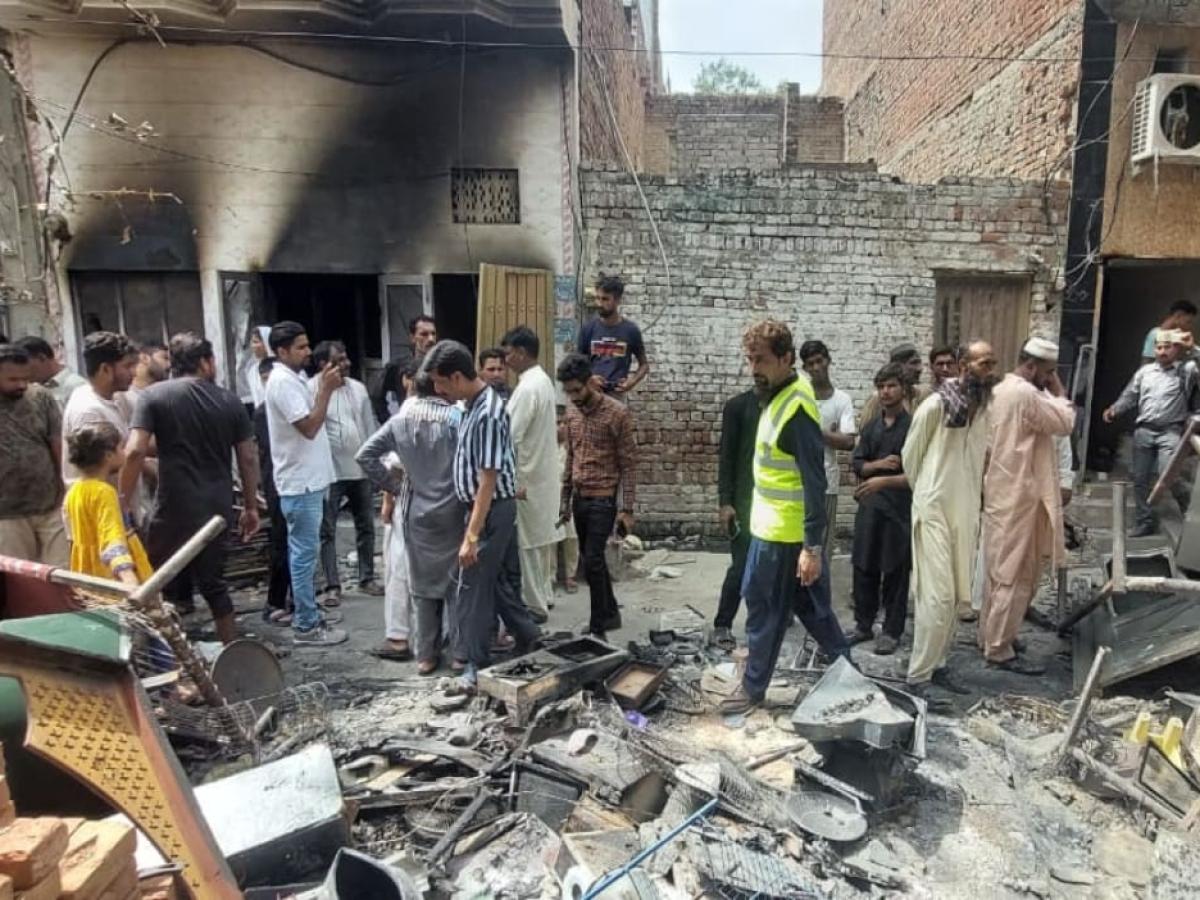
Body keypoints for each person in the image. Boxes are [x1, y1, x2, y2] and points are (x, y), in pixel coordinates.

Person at [721, 321, 840, 714]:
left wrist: (811, 547)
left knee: (763, 613)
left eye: (762, 360)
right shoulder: (777, 395)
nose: (754, 367)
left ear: (787, 359)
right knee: (816, 614)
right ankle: (852, 678)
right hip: (772, 529)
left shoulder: (796, 409)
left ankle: (752, 689)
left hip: (783, 539)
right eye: (750, 359)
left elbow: (814, 481)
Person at [120, 333, 259, 644]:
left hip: (173, 506)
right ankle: (232, 655)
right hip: (216, 509)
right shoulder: (229, 400)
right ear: (205, 363)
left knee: (154, 582)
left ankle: (162, 660)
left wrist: (121, 499)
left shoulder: (153, 397)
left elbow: (134, 451)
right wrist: (250, 506)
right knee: (214, 585)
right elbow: (248, 458)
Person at [425, 340, 540, 692]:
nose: (438, 390)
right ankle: (529, 636)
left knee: (472, 586)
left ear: (457, 377)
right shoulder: (471, 405)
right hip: (488, 508)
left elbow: (488, 480)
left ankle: (473, 662)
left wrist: (472, 535)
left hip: (489, 508)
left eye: (441, 383)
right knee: (498, 582)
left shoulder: (488, 411)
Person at [903, 340, 999, 697]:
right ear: (962, 365)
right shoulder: (935, 405)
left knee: (958, 597)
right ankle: (918, 676)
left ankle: (939, 665)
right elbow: (911, 456)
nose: (988, 371)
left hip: (965, 510)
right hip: (934, 508)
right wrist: (928, 496)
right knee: (937, 596)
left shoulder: (984, 409)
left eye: (992, 364)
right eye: (981, 363)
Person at [358, 359, 465, 674]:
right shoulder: (457, 420)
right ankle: (459, 656)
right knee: (456, 585)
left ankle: (426, 656)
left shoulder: (399, 422)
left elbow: (365, 456)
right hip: (454, 510)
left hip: (415, 511)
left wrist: (393, 485)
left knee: (421, 587)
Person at [979, 338, 1075, 673]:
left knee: (998, 570)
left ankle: (992, 635)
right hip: (1020, 496)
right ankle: (999, 648)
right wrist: (1059, 389)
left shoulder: (1001, 389)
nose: (1049, 378)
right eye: (1047, 372)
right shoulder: (1025, 394)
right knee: (1016, 574)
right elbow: (1065, 422)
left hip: (1001, 492)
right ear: (1032, 366)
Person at [264, 320, 348, 646]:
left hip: (309, 480)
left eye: (306, 344)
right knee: (302, 554)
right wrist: (325, 391)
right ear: (282, 351)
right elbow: (310, 427)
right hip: (300, 483)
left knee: (305, 552)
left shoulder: (293, 378)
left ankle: (308, 613)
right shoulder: (282, 383)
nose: (308, 352)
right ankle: (306, 625)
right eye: (300, 347)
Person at [557, 353, 637, 640]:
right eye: (568, 391)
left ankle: (597, 628)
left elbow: (628, 463)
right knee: (593, 561)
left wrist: (627, 509)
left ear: (591, 381)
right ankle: (611, 611)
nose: (573, 396)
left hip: (603, 498)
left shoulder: (617, 413)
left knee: (591, 560)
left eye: (577, 389)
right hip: (580, 498)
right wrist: (564, 501)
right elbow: (570, 457)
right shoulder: (572, 411)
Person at [1104, 328, 1200, 536]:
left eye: (1168, 347)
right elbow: (1130, 395)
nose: (1163, 351)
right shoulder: (1144, 372)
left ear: (1176, 349)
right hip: (1144, 431)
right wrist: (1115, 409)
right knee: (1140, 479)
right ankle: (1144, 522)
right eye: (1159, 347)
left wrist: (1191, 348)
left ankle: (1192, 520)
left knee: (1170, 476)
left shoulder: (1186, 370)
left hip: (1170, 432)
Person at [849, 363, 913, 656]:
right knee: (864, 565)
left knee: (896, 570)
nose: (886, 392)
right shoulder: (872, 426)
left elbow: (917, 473)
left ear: (903, 389)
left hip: (898, 509)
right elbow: (858, 463)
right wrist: (878, 466)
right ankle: (863, 624)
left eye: (892, 386)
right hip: (870, 509)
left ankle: (891, 630)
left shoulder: (912, 427)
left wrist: (881, 480)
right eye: (882, 387)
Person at [312, 340, 383, 601]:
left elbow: (368, 425)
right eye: (339, 360)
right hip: (329, 472)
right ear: (323, 365)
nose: (347, 363)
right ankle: (332, 585)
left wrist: (375, 465)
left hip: (359, 469)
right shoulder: (312, 389)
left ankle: (367, 578)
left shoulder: (358, 389)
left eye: (345, 358)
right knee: (326, 530)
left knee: (366, 525)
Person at [502, 326, 559, 625]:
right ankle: (545, 594)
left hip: (527, 474)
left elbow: (510, 436)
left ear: (522, 352)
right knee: (539, 542)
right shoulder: (543, 381)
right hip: (540, 472)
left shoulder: (527, 388)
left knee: (528, 545)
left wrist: (511, 480)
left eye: (509, 352)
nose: (506, 358)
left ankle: (535, 605)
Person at [0, 342, 67, 566]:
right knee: (19, 582)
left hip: (50, 505)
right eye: (13, 380)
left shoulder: (41, 397)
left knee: (61, 576)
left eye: (25, 379)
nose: (21, 385)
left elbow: (57, 445)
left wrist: (63, 488)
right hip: (7, 514)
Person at [62, 423, 152, 586]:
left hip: (89, 576)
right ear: (108, 455)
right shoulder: (104, 492)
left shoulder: (74, 491)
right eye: (120, 448)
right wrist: (128, 578)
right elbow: (111, 537)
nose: (124, 452)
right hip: (110, 577)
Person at [62, 332, 139, 489]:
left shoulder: (119, 397)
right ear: (105, 369)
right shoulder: (87, 411)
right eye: (128, 366)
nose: (134, 372)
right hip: (98, 505)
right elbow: (99, 470)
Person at [713, 383, 759, 650]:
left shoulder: (785, 407)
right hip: (743, 502)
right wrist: (725, 502)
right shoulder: (738, 407)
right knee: (741, 567)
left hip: (778, 506)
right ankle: (722, 624)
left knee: (777, 570)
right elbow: (727, 457)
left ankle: (774, 620)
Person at [799, 340, 856, 541]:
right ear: (804, 368)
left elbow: (848, 442)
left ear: (828, 361)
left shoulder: (842, 400)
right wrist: (831, 436)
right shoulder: (800, 396)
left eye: (819, 361)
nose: (815, 368)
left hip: (827, 482)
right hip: (798, 482)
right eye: (810, 364)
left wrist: (813, 431)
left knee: (822, 547)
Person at [254, 356, 292, 625]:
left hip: (290, 479)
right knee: (281, 542)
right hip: (277, 481)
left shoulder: (291, 405)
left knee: (295, 545)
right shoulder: (262, 412)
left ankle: (289, 600)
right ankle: (275, 601)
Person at [577, 275, 650, 397]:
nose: (600, 303)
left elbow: (644, 365)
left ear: (617, 300)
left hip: (617, 397)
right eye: (598, 298)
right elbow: (577, 364)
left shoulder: (631, 330)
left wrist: (631, 382)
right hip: (592, 396)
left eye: (605, 299)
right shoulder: (588, 329)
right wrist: (589, 378)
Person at [374, 315, 438, 423]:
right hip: (409, 426)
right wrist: (389, 422)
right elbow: (376, 396)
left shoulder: (444, 364)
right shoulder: (399, 367)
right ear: (412, 338)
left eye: (433, 334)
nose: (431, 339)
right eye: (424, 334)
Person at [860, 342, 932, 424]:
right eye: (913, 363)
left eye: (919, 363)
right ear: (898, 366)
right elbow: (865, 431)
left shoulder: (921, 395)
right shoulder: (878, 399)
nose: (919, 369)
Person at [15, 336, 86, 409]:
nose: (23, 373)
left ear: (41, 358)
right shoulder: (31, 388)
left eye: (25, 366)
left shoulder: (77, 386)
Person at [240, 327, 272, 413]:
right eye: (252, 342)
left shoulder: (280, 367)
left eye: (256, 342)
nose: (252, 346)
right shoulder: (252, 371)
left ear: (266, 343)